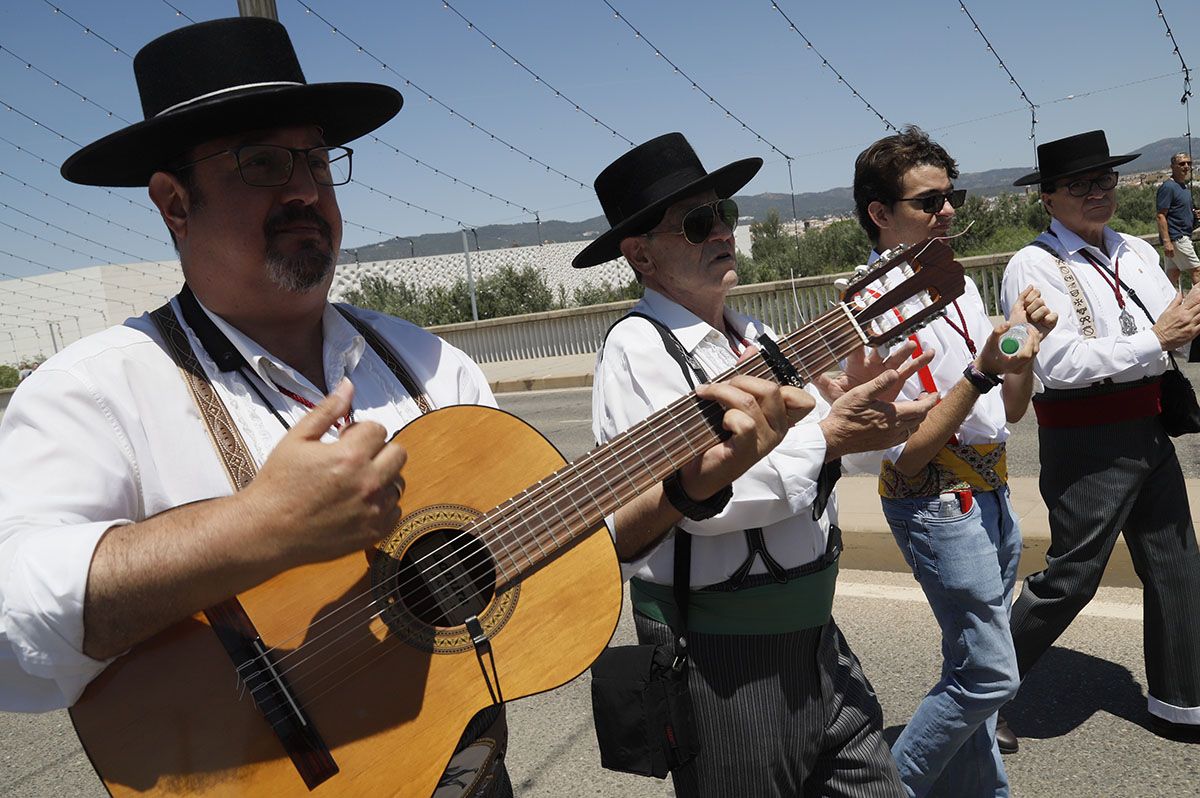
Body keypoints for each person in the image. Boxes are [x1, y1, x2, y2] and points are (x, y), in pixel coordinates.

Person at [0, 19, 803, 797]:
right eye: (262, 164)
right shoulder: (98, 390)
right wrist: (255, 528)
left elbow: (548, 545)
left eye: (317, 160)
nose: (306, 190)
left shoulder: (429, 363)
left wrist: (685, 488)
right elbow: (10, 626)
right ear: (175, 203)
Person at [575, 132, 940, 798]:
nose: (721, 232)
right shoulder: (638, 349)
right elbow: (704, 499)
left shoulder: (757, 336)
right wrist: (829, 437)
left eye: (725, 215)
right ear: (641, 255)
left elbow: (807, 467)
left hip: (818, 638)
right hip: (724, 660)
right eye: (697, 222)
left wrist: (853, 420)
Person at [851, 127, 1056, 796]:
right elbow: (907, 453)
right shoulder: (869, 309)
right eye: (928, 201)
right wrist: (980, 369)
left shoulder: (957, 283)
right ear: (880, 214)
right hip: (936, 500)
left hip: (988, 492)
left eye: (953, 196)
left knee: (972, 670)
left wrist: (1025, 353)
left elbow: (1011, 408)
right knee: (991, 675)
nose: (947, 212)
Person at [1001, 130, 1200, 746]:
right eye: (1081, 185)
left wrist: (1185, 327)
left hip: (1146, 424)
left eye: (1105, 181)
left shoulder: (1135, 252)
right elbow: (1059, 365)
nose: (1098, 193)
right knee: (1072, 577)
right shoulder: (1033, 264)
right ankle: (978, 695)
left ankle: (1182, 704)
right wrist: (1159, 338)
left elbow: (1179, 330)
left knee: (1177, 566)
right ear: (1049, 198)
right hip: (1085, 437)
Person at [1156, 151, 1200, 288]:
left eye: (1189, 163)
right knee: (1197, 271)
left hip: (1180, 236)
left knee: (1172, 275)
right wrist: (1167, 242)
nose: (1186, 166)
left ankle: (1164, 304)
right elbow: (1161, 215)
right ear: (1172, 166)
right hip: (1178, 238)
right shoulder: (1168, 187)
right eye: (1182, 163)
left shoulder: (1183, 187)